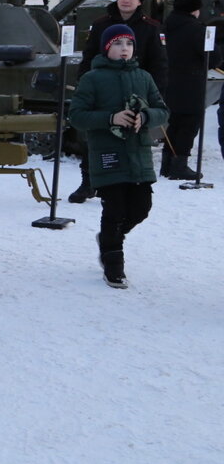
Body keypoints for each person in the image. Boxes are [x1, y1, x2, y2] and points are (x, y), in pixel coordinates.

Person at [67, 24, 169, 288]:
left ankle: (110, 239)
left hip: (139, 155)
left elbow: (162, 110)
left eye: (129, 44)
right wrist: (110, 117)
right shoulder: (92, 78)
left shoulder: (144, 77)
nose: (124, 49)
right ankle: (114, 265)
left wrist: (145, 117)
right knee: (113, 210)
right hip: (107, 154)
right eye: (118, 44)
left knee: (141, 208)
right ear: (106, 48)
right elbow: (76, 116)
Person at [69, 0, 168, 202]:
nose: (126, 0)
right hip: (104, 90)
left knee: (133, 140)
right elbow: (89, 55)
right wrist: (85, 84)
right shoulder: (101, 23)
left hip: (137, 92)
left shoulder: (150, 28)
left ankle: (130, 182)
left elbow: (159, 64)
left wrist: (154, 95)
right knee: (96, 138)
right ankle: (89, 181)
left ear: (139, 1)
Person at [162, 0, 222, 179]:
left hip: (168, 83)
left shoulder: (166, 26)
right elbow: (213, 59)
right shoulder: (198, 30)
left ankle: (167, 165)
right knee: (189, 125)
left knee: (173, 124)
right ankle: (179, 166)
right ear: (195, 10)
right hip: (191, 84)